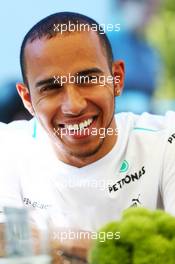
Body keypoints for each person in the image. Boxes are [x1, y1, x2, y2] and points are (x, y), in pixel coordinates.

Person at [0, 12, 175, 235]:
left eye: (88, 80)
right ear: (27, 99)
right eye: (51, 88)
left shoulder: (166, 140)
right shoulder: (7, 149)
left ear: (117, 79)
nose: (73, 106)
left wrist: (58, 245)